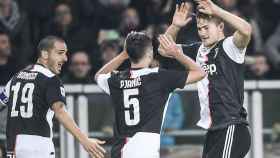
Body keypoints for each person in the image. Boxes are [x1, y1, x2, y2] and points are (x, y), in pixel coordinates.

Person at [160, 1, 252, 158]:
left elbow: (246, 30)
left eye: (206, 28)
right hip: (213, 131)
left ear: (220, 27)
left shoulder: (230, 46)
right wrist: (175, 26)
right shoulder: (197, 50)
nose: (202, 33)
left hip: (231, 126)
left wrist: (217, 10)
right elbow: (163, 50)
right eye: (199, 28)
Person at [95, 31, 206, 158]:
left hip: (120, 150)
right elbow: (200, 73)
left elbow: (98, 76)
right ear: (150, 53)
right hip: (145, 150)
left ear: (129, 53)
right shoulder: (158, 77)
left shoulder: (116, 79)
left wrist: (123, 55)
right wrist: (176, 53)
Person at [0, 36, 105, 158]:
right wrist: (84, 140)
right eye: (60, 53)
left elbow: (1, 102)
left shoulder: (16, 77)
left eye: (65, 54)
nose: (65, 58)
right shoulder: (50, 79)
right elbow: (60, 112)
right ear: (45, 54)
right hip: (39, 148)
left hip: (14, 148)